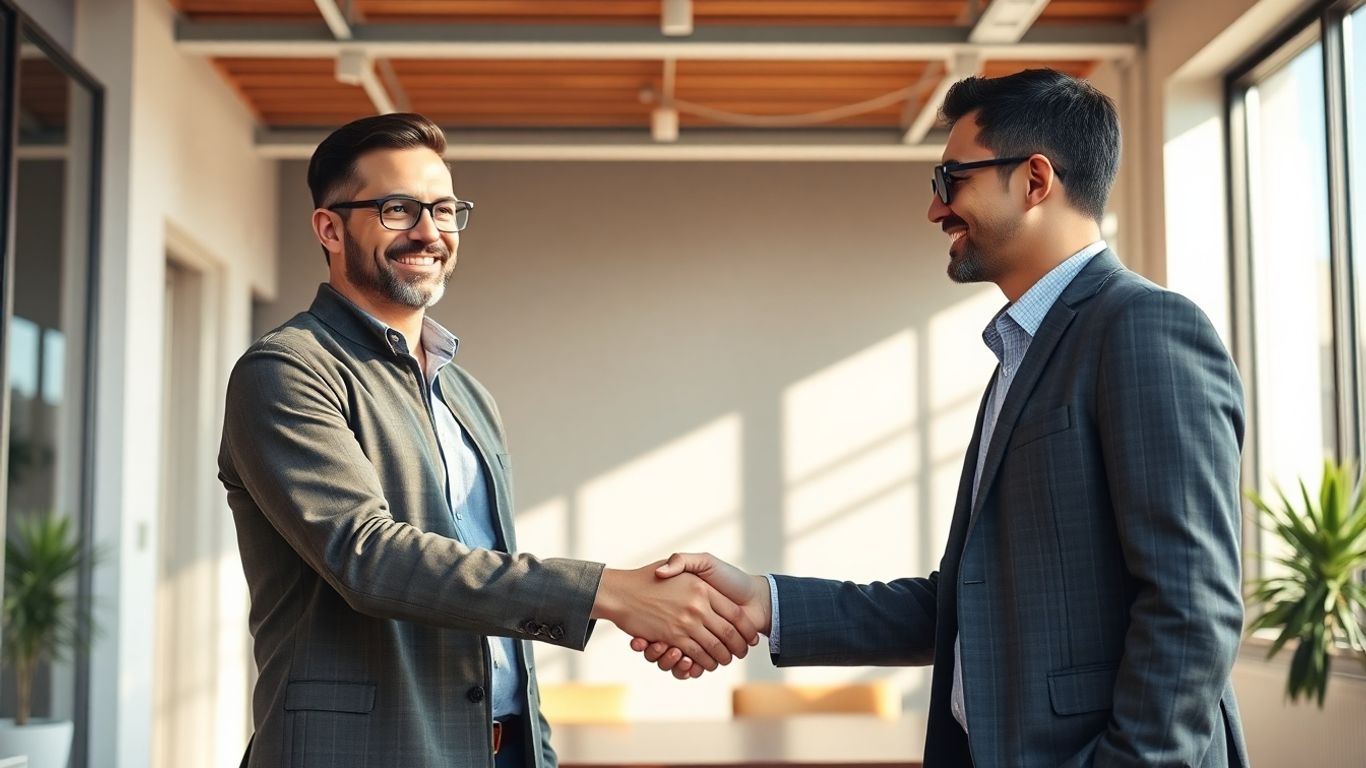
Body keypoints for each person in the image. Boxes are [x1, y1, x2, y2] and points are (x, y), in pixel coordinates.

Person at [635, 69, 1250, 767]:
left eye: (950, 178)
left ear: (1035, 180)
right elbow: (967, 604)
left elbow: (1192, 605)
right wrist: (763, 601)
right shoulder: (1024, 356)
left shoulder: (1143, 327)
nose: (936, 210)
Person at [219, 112, 758, 768]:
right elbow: (368, 558)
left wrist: (538, 750)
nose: (429, 232)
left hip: (498, 748)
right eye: (398, 209)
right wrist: (606, 593)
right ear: (329, 228)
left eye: (444, 210)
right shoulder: (287, 370)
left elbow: (492, 590)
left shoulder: (468, 395)